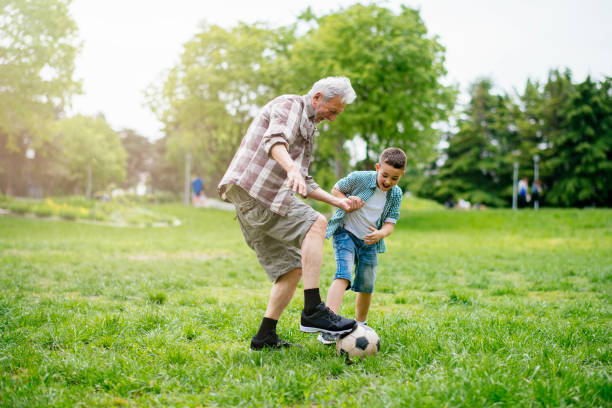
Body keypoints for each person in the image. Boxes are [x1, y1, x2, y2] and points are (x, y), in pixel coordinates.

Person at [217, 76, 360, 350]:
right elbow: (275, 141)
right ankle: (313, 309)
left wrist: (337, 202)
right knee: (316, 223)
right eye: (332, 110)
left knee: (291, 269)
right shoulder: (290, 105)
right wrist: (290, 168)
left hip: (252, 202)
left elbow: (303, 180)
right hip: (257, 195)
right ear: (317, 97)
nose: (332, 118)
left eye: (337, 114)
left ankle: (264, 337)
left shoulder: (308, 129)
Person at [318, 147, 406, 345]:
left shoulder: (396, 194)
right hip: (345, 232)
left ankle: (361, 324)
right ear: (377, 167)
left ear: (402, 175)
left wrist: (380, 234)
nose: (388, 182)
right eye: (385, 175)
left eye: (395, 178)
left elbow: (390, 223)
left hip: (369, 241)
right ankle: (329, 324)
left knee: (367, 284)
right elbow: (336, 190)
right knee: (344, 274)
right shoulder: (360, 178)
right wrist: (347, 200)